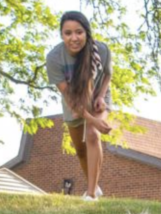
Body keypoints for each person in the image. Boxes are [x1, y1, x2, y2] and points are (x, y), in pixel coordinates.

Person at [46, 11, 113, 201]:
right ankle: (95, 186)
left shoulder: (101, 50)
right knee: (81, 149)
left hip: (98, 97)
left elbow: (107, 75)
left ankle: (91, 194)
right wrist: (92, 119)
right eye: (68, 33)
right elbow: (71, 98)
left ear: (87, 33)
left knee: (93, 134)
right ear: (62, 35)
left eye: (79, 32)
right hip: (74, 101)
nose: (74, 38)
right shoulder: (54, 58)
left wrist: (100, 96)